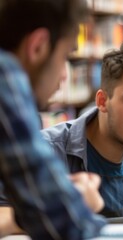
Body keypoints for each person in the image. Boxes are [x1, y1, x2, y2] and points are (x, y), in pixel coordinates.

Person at [0, 0, 106, 239]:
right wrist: (74, 200)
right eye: (66, 55)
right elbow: (65, 224)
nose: (63, 75)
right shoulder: (5, 77)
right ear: (38, 46)